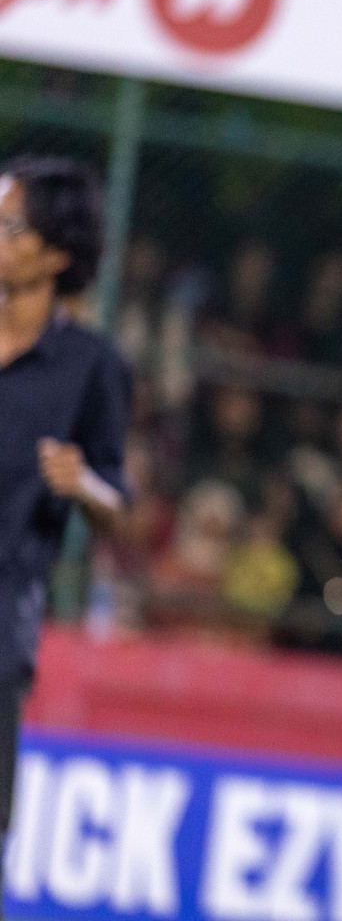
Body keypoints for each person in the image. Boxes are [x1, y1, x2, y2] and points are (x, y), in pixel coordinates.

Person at [0, 155, 130, 865]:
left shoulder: (92, 367)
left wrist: (83, 484)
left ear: (53, 254)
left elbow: (119, 505)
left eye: (10, 225)